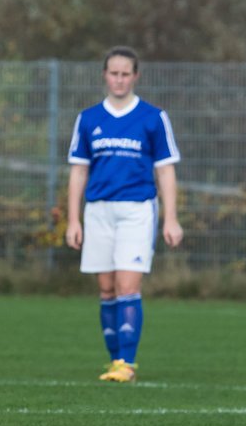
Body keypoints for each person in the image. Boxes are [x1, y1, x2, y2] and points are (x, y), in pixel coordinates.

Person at [65, 46, 183, 383]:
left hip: (137, 210)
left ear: (135, 76)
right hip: (99, 211)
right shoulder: (88, 119)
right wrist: (74, 219)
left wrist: (170, 218)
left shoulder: (153, 118)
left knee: (127, 285)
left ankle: (127, 364)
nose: (119, 79)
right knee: (106, 290)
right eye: (113, 73)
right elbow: (78, 172)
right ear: (105, 75)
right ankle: (116, 359)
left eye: (125, 74)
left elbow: (165, 171)